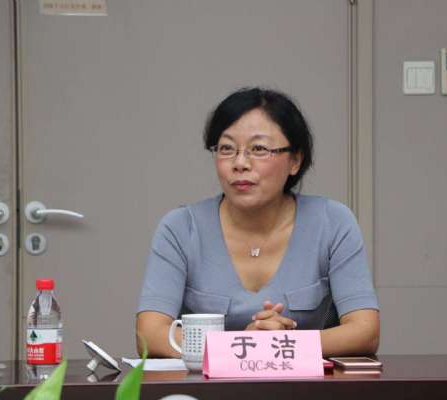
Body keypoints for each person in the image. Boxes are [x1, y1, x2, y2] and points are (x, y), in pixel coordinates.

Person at [136, 87, 379, 357]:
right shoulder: (181, 228)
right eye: (227, 149)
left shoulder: (332, 222)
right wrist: (246, 346)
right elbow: (151, 334)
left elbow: (365, 331)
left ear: (295, 160)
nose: (240, 163)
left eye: (259, 149)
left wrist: (284, 344)